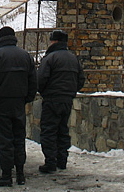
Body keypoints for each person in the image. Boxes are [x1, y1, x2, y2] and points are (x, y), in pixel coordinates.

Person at [0, 26, 37, 187]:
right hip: (18, 103)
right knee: (19, 138)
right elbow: (33, 81)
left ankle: (6, 175)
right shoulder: (26, 55)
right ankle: (20, 174)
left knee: (4, 139)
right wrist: (26, 98)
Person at [37, 30, 85, 173]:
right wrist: (70, 92)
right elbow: (81, 80)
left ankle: (50, 162)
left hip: (52, 99)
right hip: (67, 100)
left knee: (49, 131)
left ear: (55, 41)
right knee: (62, 130)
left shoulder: (50, 58)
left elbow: (41, 80)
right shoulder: (73, 58)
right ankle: (62, 160)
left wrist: (45, 92)